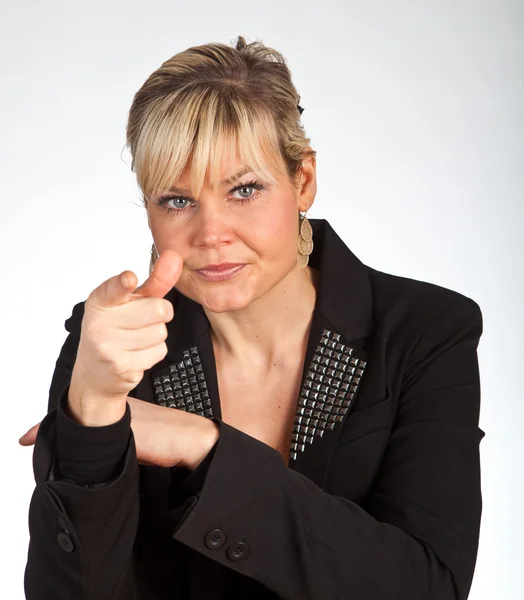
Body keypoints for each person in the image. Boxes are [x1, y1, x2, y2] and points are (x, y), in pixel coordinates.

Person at [20, 35, 485, 600]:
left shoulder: (425, 332)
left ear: (303, 182)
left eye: (244, 190)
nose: (212, 234)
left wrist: (205, 445)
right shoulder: (115, 343)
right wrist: (91, 410)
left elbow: (427, 588)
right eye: (177, 200)